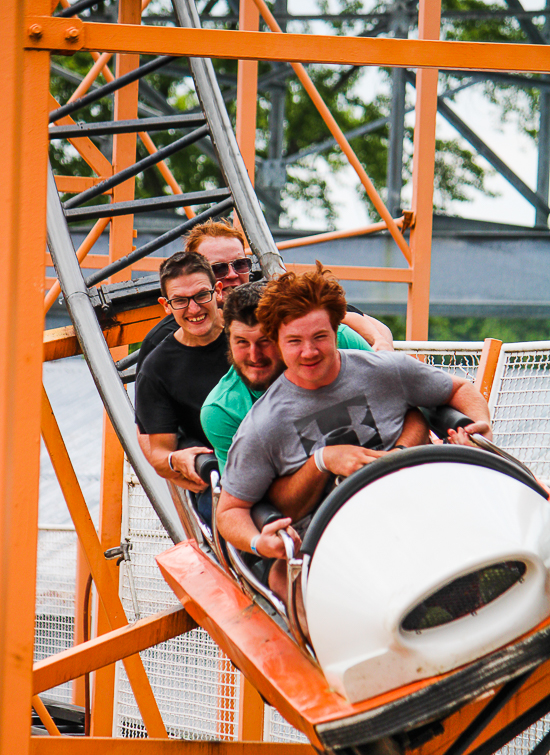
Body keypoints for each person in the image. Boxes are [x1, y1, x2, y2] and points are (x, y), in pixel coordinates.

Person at [216, 264, 492, 600]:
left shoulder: (386, 371)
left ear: (336, 331)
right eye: (294, 341)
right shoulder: (263, 424)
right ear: (276, 341)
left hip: (415, 509)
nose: (309, 351)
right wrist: (260, 542)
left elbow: (459, 388)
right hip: (335, 546)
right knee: (286, 581)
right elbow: (230, 511)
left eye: (320, 337)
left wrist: (482, 432)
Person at [201, 282, 427, 474]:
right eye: (241, 342)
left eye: (265, 341)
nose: (254, 355)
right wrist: (323, 462)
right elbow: (249, 499)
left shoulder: (337, 343)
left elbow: (410, 405)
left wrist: (394, 461)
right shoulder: (223, 410)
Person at [135, 218, 253, 375]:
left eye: (240, 264)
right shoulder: (161, 341)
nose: (232, 274)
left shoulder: (267, 316)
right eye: (218, 268)